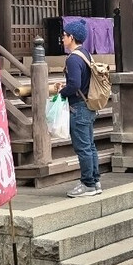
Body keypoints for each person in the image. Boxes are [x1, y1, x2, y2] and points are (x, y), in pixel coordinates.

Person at [51, 19, 101, 198]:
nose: (62, 38)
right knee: (90, 146)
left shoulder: (73, 59)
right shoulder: (86, 54)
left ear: (71, 37)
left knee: (83, 148)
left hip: (78, 107)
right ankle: (95, 181)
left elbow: (74, 84)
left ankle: (87, 183)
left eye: (64, 35)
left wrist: (61, 92)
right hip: (88, 104)